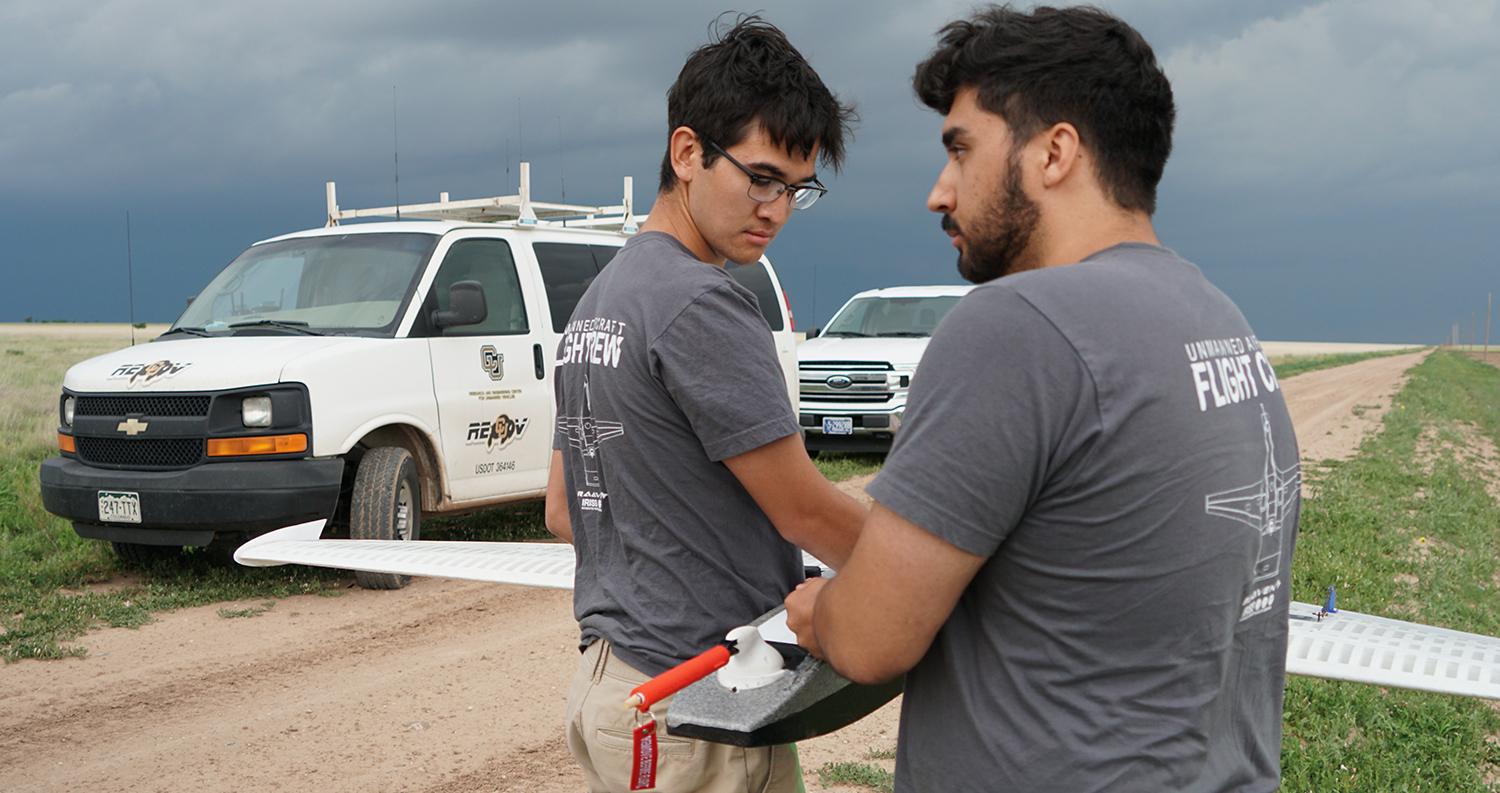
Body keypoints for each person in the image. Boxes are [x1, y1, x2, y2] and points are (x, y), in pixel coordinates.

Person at [784, 6, 1300, 792]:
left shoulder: (1016, 326)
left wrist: (820, 612)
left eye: (961, 150)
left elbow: (871, 638)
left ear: (1056, 151)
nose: (938, 191)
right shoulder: (1219, 321)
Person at [544, 14, 864, 793]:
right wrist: (942, 564)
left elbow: (563, 507)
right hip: (695, 702)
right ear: (687, 152)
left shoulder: (601, 298)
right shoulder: (701, 303)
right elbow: (807, 514)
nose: (776, 209)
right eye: (759, 178)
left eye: (796, 188)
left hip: (616, 682)